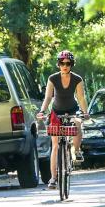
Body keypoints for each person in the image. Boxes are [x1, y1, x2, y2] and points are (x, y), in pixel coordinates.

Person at [37, 50, 89, 189]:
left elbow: (81, 97)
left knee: (78, 123)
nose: (64, 65)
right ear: (58, 64)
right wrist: (42, 111)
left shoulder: (77, 79)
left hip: (72, 110)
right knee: (55, 145)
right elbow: (48, 97)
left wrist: (85, 112)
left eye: (68, 63)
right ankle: (53, 178)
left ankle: (76, 151)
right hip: (56, 111)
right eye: (62, 63)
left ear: (71, 64)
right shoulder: (52, 78)